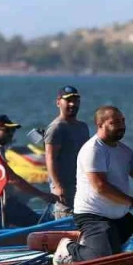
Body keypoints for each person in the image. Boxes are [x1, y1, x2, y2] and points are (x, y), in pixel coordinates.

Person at [72, 106, 133, 261]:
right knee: (105, 257)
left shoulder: (124, 151)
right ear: (100, 124)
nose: (121, 126)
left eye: (123, 121)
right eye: (115, 122)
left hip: (119, 215)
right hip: (93, 215)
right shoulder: (93, 150)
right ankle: (68, 249)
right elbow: (100, 186)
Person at [0, 114, 55, 227]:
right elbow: (13, 179)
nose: (11, 134)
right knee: (43, 224)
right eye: (7, 131)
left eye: (13, 131)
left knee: (35, 218)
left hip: (1, 204)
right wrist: (42, 195)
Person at [44, 85, 90, 219]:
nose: (72, 104)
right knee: (67, 223)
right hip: (64, 189)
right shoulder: (56, 128)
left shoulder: (83, 127)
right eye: (68, 100)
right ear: (58, 102)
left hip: (81, 186)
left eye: (76, 100)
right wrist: (58, 186)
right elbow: (50, 159)